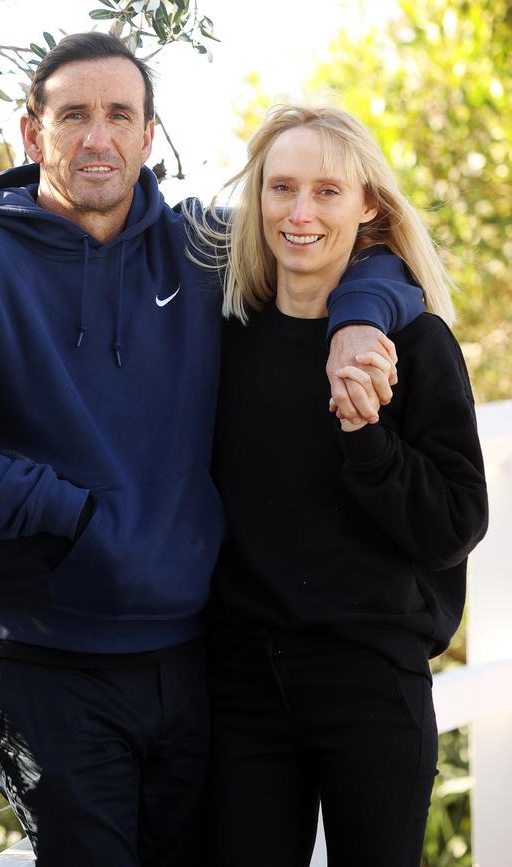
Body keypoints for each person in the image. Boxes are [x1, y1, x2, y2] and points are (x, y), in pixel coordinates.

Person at [0, 35, 424, 867]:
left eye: (119, 116)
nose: (97, 137)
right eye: (73, 116)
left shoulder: (201, 250)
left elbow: (355, 250)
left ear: (148, 137)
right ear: (32, 135)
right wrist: (70, 513)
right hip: (50, 664)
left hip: (192, 664)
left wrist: (358, 316)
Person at [194, 105, 489, 867]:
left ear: (369, 207)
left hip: (371, 683)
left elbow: (456, 522)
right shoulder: (224, 335)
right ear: (255, 197)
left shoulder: (415, 345)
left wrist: (366, 441)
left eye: (327, 191)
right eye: (281, 187)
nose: (299, 213)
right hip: (242, 688)